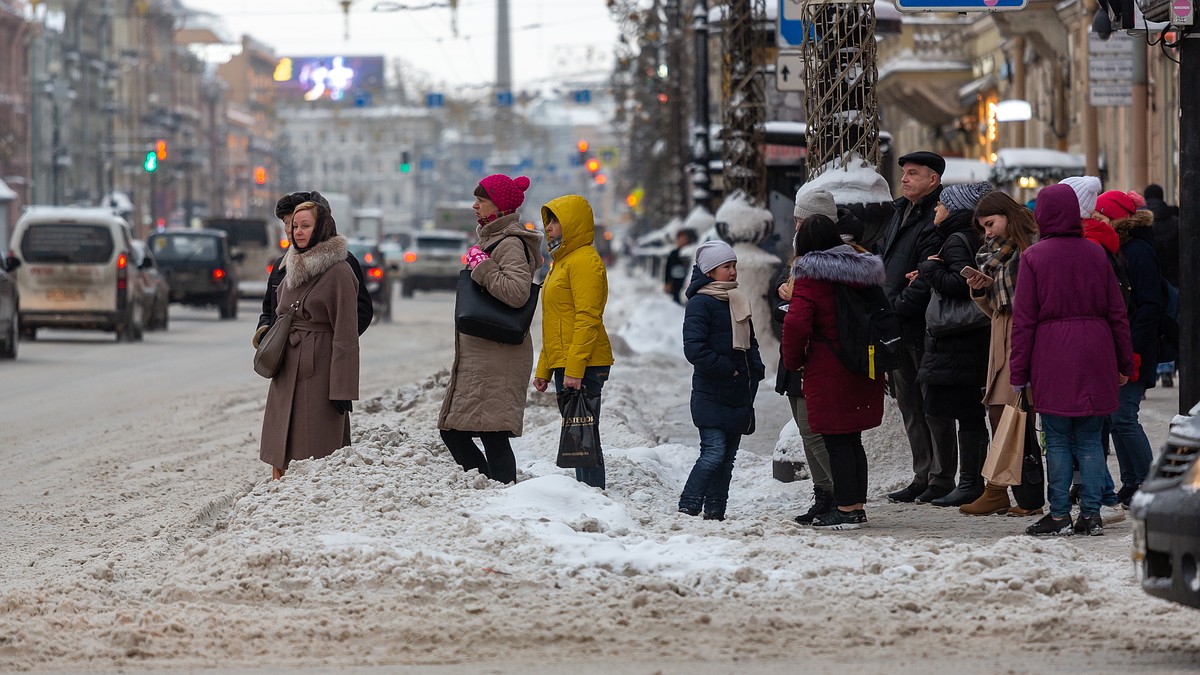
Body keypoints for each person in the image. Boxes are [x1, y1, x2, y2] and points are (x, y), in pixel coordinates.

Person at [1010, 183, 1134, 537]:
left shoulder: (1034, 257)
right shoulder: (1095, 253)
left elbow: (1024, 321)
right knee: (1091, 440)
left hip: (1053, 353)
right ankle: (1092, 513)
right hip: (1096, 350)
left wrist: (1019, 371)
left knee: (1059, 440)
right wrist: (1125, 362)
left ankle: (1059, 512)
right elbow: (1117, 313)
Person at [783, 214, 887, 530]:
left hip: (829, 367)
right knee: (851, 439)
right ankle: (855, 506)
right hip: (863, 363)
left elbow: (796, 323)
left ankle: (846, 510)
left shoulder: (811, 277)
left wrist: (793, 360)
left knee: (836, 441)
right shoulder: (862, 270)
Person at [438, 174, 542, 485]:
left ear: (498, 205)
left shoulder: (509, 243)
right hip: (486, 353)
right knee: (464, 431)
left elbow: (516, 293)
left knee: (486, 433)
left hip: (497, 356)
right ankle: (494, 489)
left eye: (481, 200)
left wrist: (482, 265)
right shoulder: (494, 240)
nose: (475, 206)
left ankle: (499, 491)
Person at [259, 201, 360, 480]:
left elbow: (347, 335)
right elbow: (276, 307)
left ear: (321, 229)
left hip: (319, 365)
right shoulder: (290, 264)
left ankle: (308, 496)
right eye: (294, 226)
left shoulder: (340, 271)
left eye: (305, 226)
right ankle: (278, 492)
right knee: (281, 441)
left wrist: (343, 389)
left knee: (314, 446)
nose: (297, 232)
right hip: (287, 364)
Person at [958, 191, 1042, 517]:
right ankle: (1014, 492)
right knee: (1002, 412)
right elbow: (995, 308)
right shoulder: (995, 255)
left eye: (991, 224)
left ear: (1008, 216)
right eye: (983, 227)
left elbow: (1028, 302)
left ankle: (1008, 490)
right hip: (1001, 335)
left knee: (1009, 412)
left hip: (1022, 336)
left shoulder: (1027, 251)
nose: (988, 232)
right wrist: (980, 289)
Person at [914, 180, 994, 507]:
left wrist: (930, 270)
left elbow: (966, 285)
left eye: (942, 204)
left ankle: (970, 482)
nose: (936, 208)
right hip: (962, 341)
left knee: (967, 415)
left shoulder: (957, 240)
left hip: (960, 340)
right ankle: (968, 481)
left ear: (955, 208)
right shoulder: (962, 236)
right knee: (964, 413)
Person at [532, 194, 615, 489]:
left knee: (585, 435)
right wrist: (544, 368)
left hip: (585, 364)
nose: (549, 227)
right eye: (549, 221)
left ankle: (594, 496)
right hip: (566, 363)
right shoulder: (562, 263)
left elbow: (587, 318)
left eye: (555, 221)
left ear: (573, 224)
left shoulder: (584, 262)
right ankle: (587, 495)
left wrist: (575, 369)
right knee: (577, 434)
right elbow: (553, 323)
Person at [679, 240, 765, 521]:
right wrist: (728, 369)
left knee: (727, 460)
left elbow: (750, 341)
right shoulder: (700, 303)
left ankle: (716, 511)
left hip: (738, 392)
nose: (732, 272)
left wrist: (756, 367)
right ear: (710, 271)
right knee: (713, 453)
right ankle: (689, 504)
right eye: (726, 267)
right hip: (711, 391)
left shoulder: (737, 299)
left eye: (734, 266)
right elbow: (694, 349)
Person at [880, 151, 945, 503]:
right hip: (894, 322)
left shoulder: (935, 217)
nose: (904, 178)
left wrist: (898, 307)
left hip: (920, 323)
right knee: (908, 402)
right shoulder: (896, 211)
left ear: (932, 180)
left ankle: (939, 476)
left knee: (929, 402)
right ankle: (922, 472)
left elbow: (925, 273)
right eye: (904, 172)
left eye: (913, 173)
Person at [772, 187, 839, 523]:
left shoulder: (829, 259)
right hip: (799, 359)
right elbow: (786, 303)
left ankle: (839, 496)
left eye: (800, 221)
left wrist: (791, 306)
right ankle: (824, 495)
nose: (795, 227)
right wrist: (783, 293)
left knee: (815, 434)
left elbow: (809, 315)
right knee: (808, 432)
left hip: (812, 359)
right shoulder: (800, 257)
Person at [1095, 190, 1165, 506]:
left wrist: (1132, 348)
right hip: (1120, 346)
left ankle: (1150, 484)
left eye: (1103, 215)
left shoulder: (1137, 250)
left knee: (1123, 416)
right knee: (1114, 417)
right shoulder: (1118, 247)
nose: (1098, 220)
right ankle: (1132, 481)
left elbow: (1150, 304)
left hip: (1135, 347)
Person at [256, 190, 373, 342]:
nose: (293, 230)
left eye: (302, 225)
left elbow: (362, 311)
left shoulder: (342, 262)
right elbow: (268, 310)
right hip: (284, 356)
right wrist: (266, 336)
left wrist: (329, 341)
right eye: (288, 223)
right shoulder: (281, 265)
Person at [1142, 183, 1178, 387]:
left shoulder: (1144, 221)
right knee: (1168, 323)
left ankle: (1151, 370)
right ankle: (1167, 368)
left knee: (1151, 325)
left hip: (1152, 278)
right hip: (1174, 280)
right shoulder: (1175, 220)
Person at [663, 228, 698, 304]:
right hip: (675, 282)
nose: (682, 241)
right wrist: (667, 282)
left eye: (684, 238)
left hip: (686, 280)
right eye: (680, 239)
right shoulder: (673, 253)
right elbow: (668, 268)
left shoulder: (691, 253)